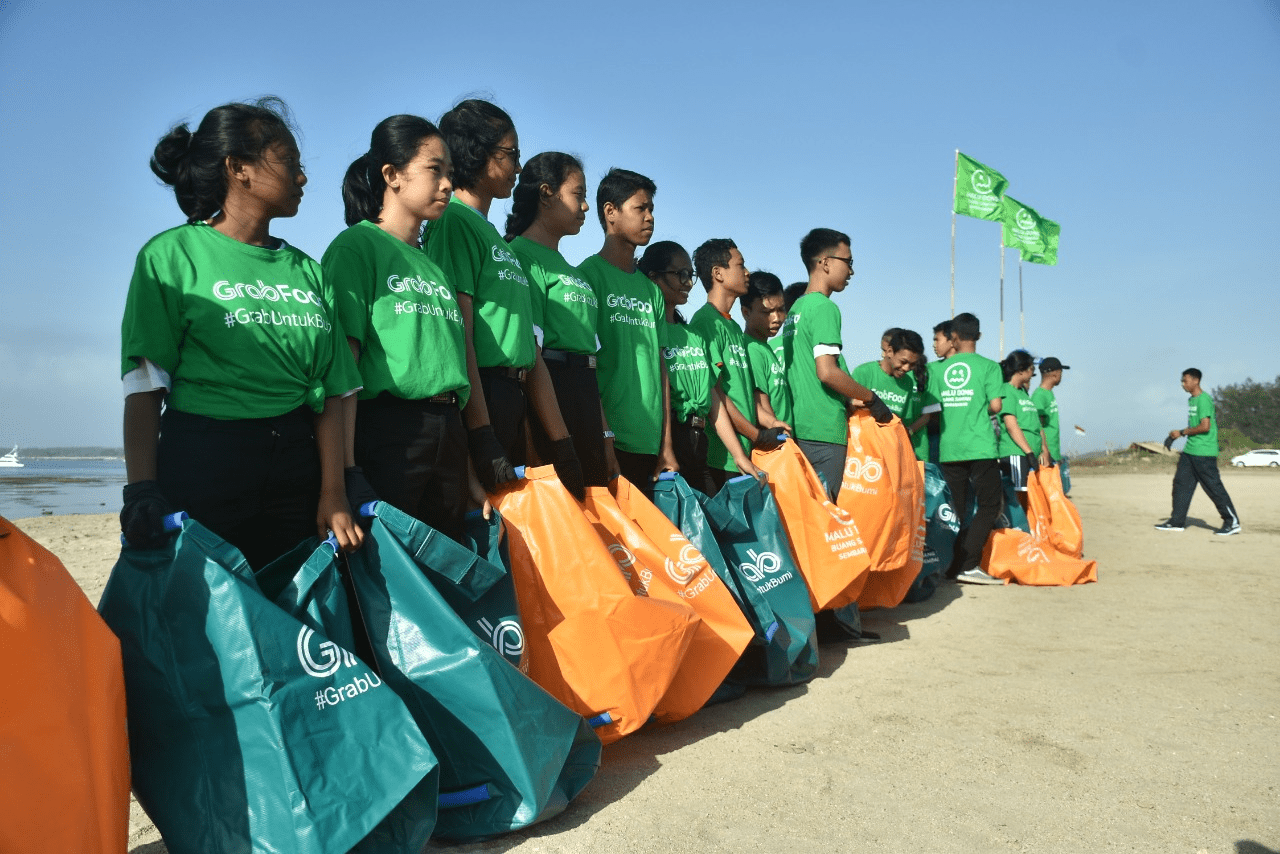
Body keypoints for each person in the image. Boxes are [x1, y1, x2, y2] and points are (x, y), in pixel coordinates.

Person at [120, 98, 362, 568]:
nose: (303, 177)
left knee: (292, 620)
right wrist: (142, 490)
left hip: (296, 468)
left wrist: (334, 492)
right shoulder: (171, 256)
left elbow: (333, 392)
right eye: (290, 162)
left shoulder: (310, 272)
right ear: (239, 169)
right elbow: (145, 385)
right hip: (205, 463)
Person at [322, 114, 477, 543]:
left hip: (448, 433)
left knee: (446, 569)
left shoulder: (433, 266)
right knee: (394, 580)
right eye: (434, 169)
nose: (447, 184)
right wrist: (346, 472)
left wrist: (467, 470)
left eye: (450, 173)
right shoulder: (357, 246)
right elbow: (343, 370)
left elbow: (451, 370)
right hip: (391, 435)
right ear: (392, 174)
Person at [423, 99, 585, 500]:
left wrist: (561, 443)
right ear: (476, 152)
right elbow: (459, 335)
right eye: (510, 154)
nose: (517, 166)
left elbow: (528, 348)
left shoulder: (498, 239)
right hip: (484, 399)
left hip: (513, 400)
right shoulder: (454, 222)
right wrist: (480, 433)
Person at [505, 152, 619, 487]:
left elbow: (589, 361)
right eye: (579, 195)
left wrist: (605, 434)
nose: (586, 207)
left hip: (584, 399)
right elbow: (530, 359)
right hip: (552, 399)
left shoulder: (571, 269)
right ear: (546, 193)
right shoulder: (520, 256)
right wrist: (548, 443)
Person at [577, 168, 677, 493]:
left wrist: (666, 446)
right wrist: (604, 435)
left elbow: (661, 370)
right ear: (610, 212)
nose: (650, 218)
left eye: (652, 210)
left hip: (649, 446)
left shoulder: (651, 291)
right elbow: (584, 366)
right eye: (640, 208)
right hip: (606, 440)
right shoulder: (586, 278)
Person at [779, 228, 893, 499]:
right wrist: (871, 398)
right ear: (825, 262)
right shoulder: (824, 307)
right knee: (827, 520)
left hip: (799, 428)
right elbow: (827, 372)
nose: (852, 271)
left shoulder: (796, 310)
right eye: (848, 262)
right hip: (825, 432)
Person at [638, 240, 757, 494]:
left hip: (698, 445)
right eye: (679, 275)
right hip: (667, 444)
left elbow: (714, 400)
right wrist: (666, 448)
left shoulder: (694, 335)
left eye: (689, 275)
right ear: (653, 277)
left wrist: (739, 455)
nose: (688, 283)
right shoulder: (647, 334)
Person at [690, 238, 784, 493]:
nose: (747, 272)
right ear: (718, 273)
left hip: (744, 453)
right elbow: (717, 395)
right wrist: (755, 434)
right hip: (721, 457)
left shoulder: (732, 326)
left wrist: (771, 424)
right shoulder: (705, 323)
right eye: (740, 265)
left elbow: (744, 393)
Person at [928, 312, 1004, 584]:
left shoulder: (936, 370)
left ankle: (951, 563)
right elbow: (996, 406)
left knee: (955, 509)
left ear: (954, 337)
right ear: (979, 337)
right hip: (981, 446)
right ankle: (969, 564)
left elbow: (932, 408)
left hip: (950, 446)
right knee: (989, 505)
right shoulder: (989, 367)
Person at [1155, 368, 1241, 535]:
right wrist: (1178, 435)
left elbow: (1205, 426)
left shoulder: (1204, 400)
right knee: (1181, 485)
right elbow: (1196, 426)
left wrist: (1181, 432)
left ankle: (1232, 522)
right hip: (1190, 451)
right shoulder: (1192, 400)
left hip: (1204, 452)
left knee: (1213, 488)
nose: (1182, 384)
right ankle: (1177, 522)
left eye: (1185, 380)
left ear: (1196, 381)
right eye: (1182, 381)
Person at [740, 271, 793, 434]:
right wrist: (780, 435)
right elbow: (759, 403)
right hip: (775, 442)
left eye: (781, 309)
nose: (777, 318)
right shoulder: (751, 349)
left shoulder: (764, 347)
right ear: (746, 313)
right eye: (767, 312)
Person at [996, 349, 1044, 510]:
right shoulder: (1006, 391)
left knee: (1031, 496)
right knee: (1018, 498)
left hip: (1030, 453)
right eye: (1031, 369)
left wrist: (1042, 449)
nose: (1032, 374)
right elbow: (1011, 425)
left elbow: (1036, 424)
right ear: (1021, 370)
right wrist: (1028, 452)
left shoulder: (1023, 393)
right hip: (1016, 453)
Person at [851, 329, 925, 423]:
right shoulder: (864, 372)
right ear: (890, 351)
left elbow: (901, 421)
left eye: (912, 364)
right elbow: (848, 405)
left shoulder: (908, 383)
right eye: (903, 362)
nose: (906, 368)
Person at [1032, 356, 1069, 491]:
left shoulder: (1049, 394)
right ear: (1055, 373)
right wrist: (1044, 451)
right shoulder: (1039, 396)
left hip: (1053, 452)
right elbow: (1037, 425)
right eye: (1061, 372)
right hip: (1047, 454)